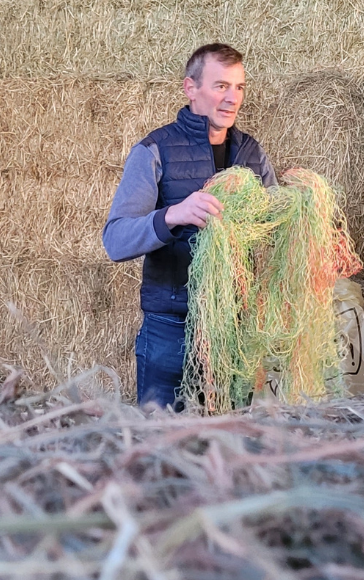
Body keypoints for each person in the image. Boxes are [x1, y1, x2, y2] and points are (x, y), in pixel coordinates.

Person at [102, 43, 277, 409]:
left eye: (239, 87)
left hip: (232, 333)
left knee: (228, 446)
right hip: (171, 328)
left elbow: (272, 225)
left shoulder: (251, 154)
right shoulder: (155, 150)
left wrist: (296, 209)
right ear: (190, 88)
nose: (232, 98)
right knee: (162, 448)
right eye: (220, 86)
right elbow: (116, 240)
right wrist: (172, 215)